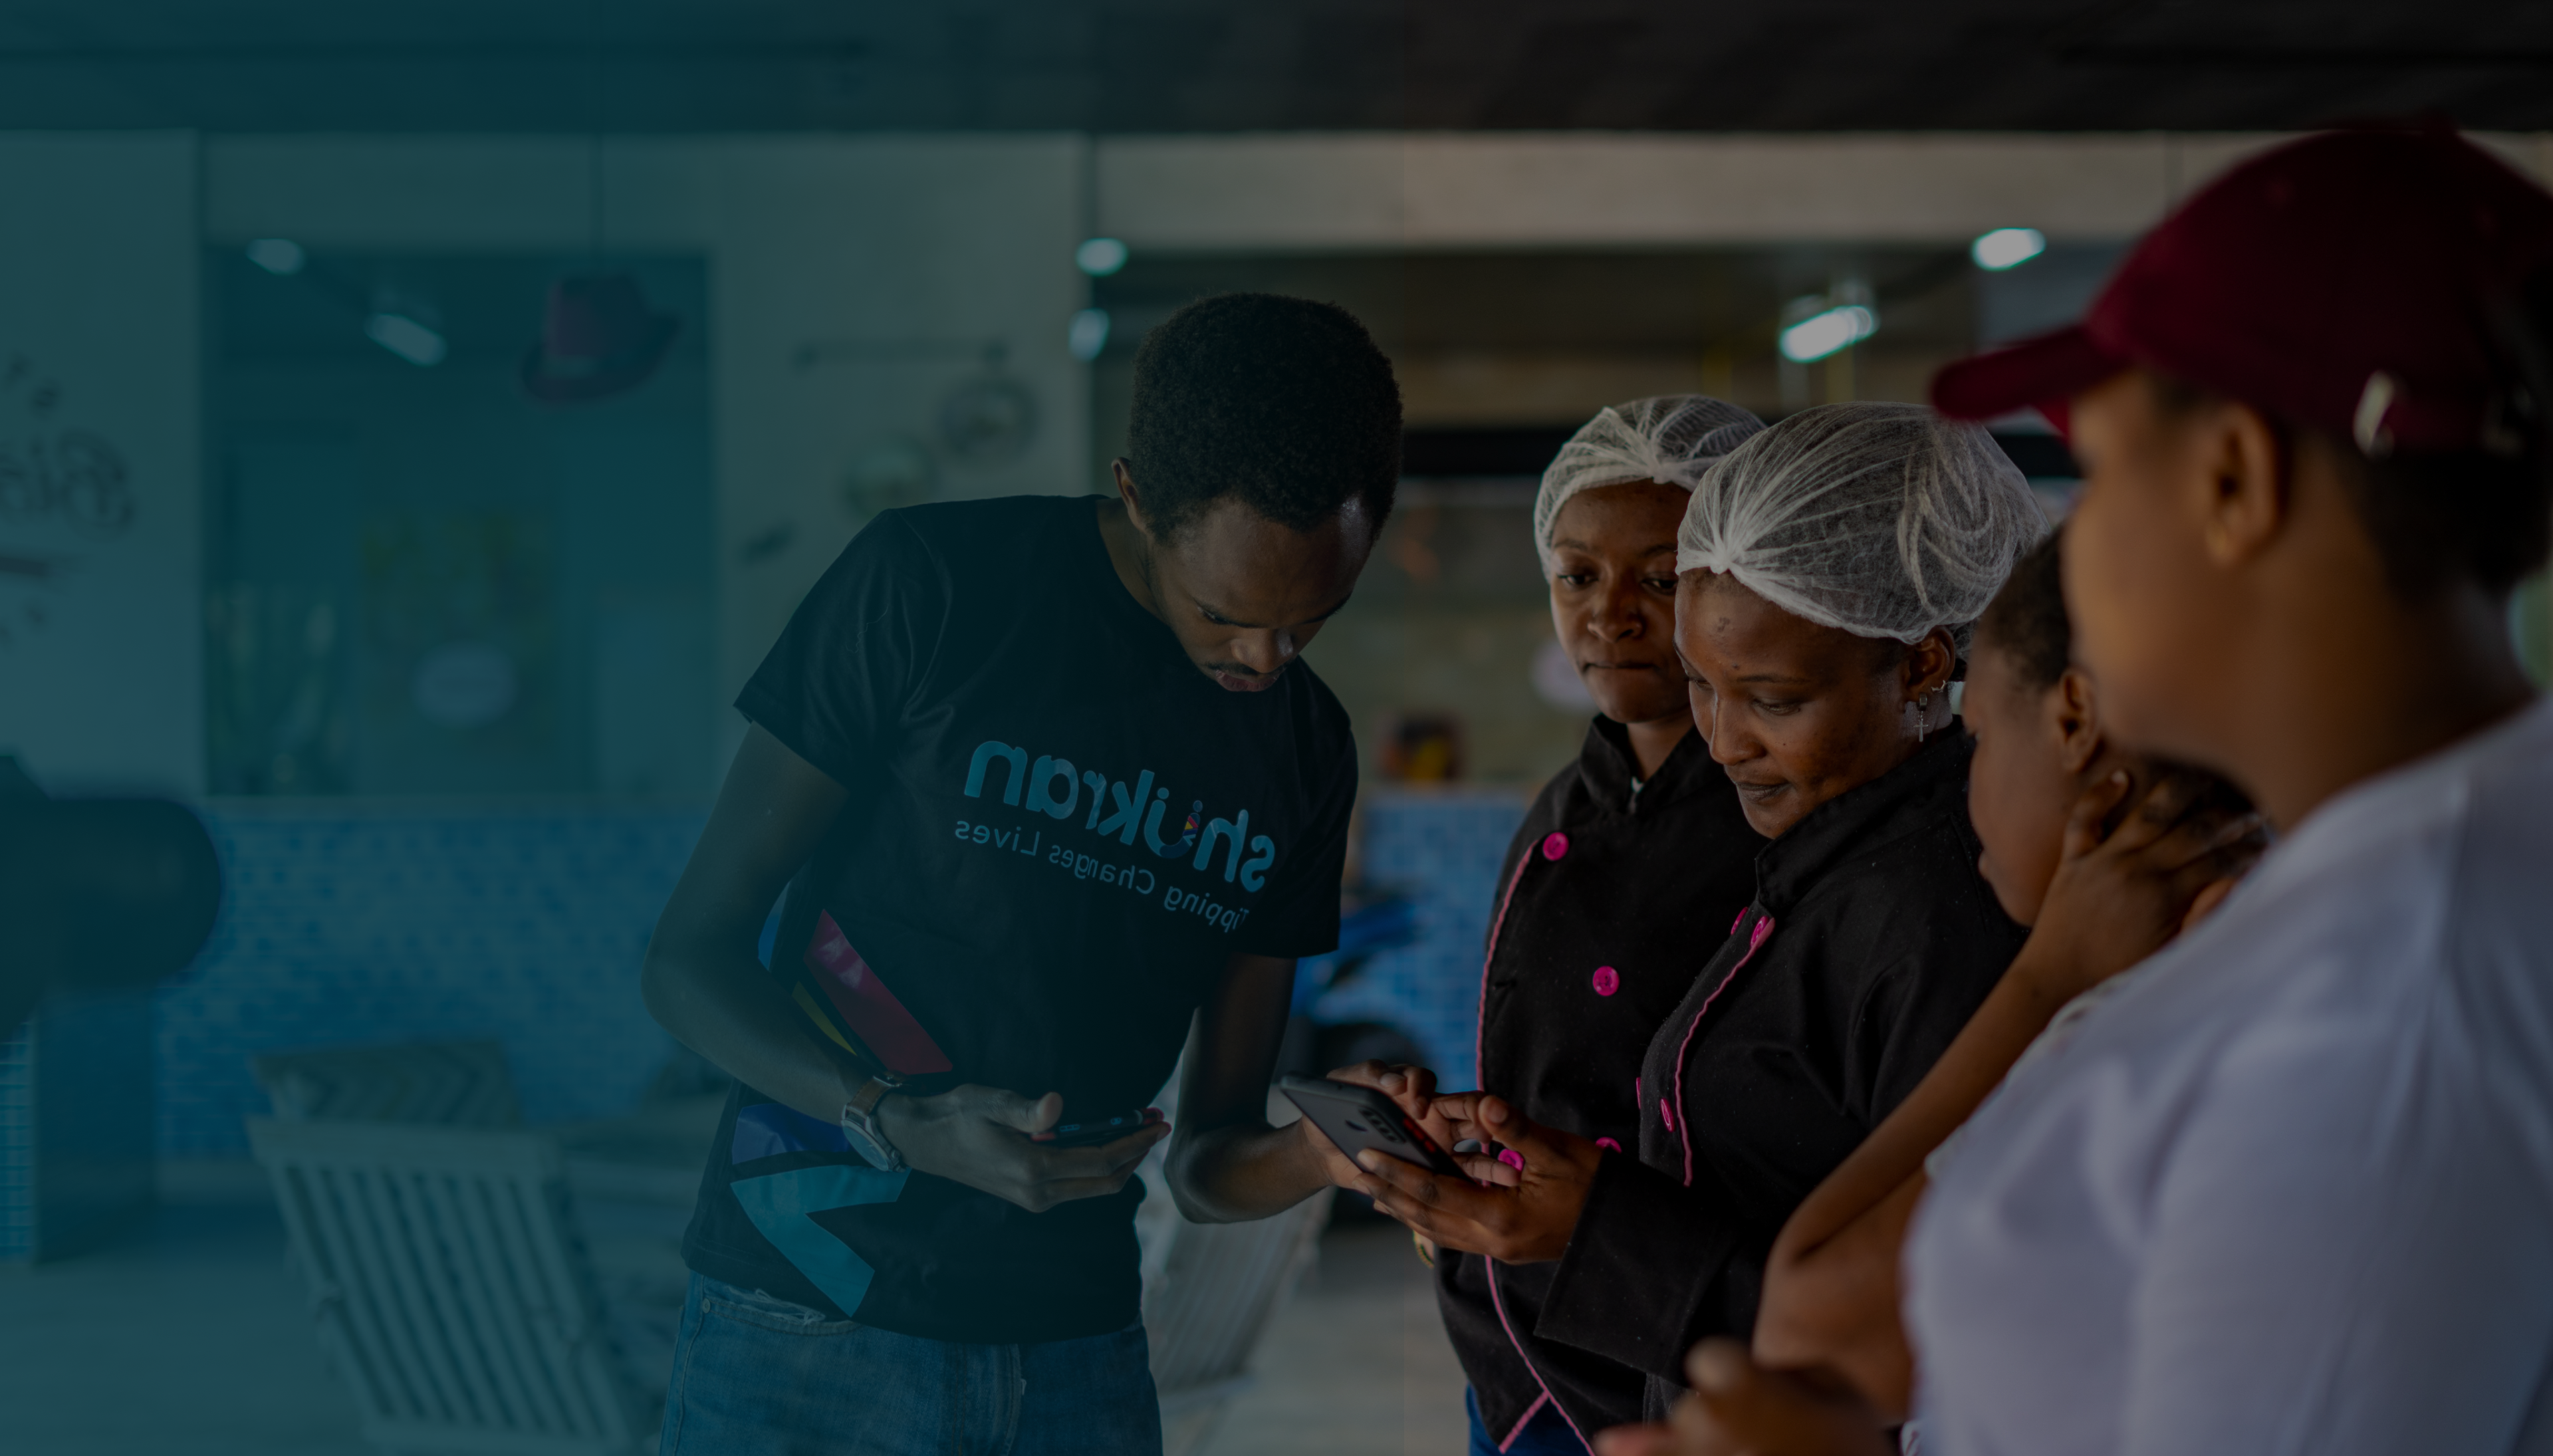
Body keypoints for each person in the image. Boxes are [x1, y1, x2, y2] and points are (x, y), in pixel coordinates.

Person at [1621, 123, 2553, 1456]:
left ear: (2237, 479)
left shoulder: (2390, 1010)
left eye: (2106, 473)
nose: (2063, 543)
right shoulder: (2421, 882)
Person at [640, 293, 1409, 1456]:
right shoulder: (932, 589)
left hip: (1075, 1353)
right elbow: (687, 963)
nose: (1263, 658)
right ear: (1138, 494)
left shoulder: (1305, 750)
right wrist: (892, 1119)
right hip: (807, 1313)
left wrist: (1322, 1152)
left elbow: (1206, 1159)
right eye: (1226, 613)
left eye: (1314, 619)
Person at [1345, 400, 2044, 1429]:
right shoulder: (1812, 859)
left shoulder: (1934, 915)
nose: (1721, 743)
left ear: (1927, 662)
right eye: (1706, 690)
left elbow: (1923, 1324)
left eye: (1770, 698)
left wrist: (1595, 1233)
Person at [1593, 535, 2261, 1456]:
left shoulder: (2104, 1015)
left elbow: (1812, 1317)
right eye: (1703, 688)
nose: (1723, 741)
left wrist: (2050, 974)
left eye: (1978, 736)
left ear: (2074, 720)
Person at [1433, 396, 1772, 1455]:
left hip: (1665, 1368)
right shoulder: (1560, 807)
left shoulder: (1770, 818)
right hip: (1508, 1348)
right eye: (1578, 575)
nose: (1611, 612)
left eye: (1660, 577)